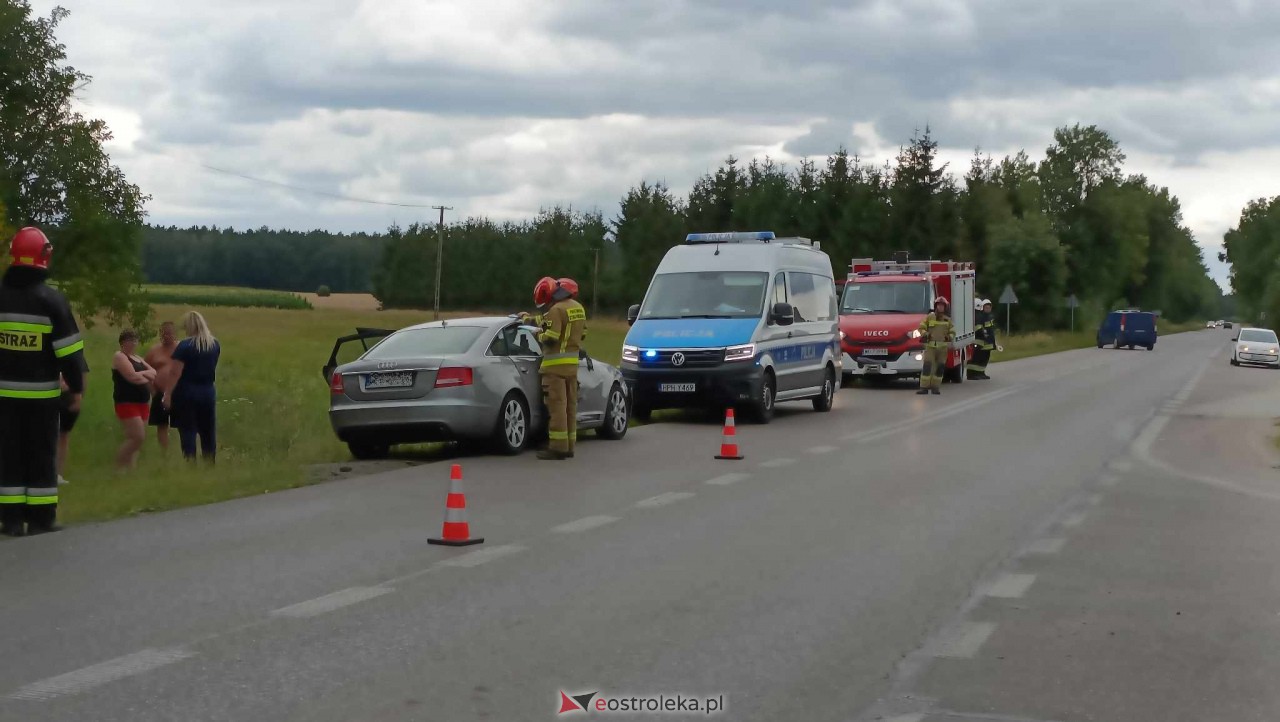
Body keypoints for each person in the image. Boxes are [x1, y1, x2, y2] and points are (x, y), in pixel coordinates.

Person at [0, 227, 86, 536]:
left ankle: (9, 520)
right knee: (40, 455)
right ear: (44, 257)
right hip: (41, 399)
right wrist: (76, 388)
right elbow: (70, 352)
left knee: (7, 456)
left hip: (3, 399)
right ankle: (40, 519)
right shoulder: (51, 300)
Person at [532, 276, 586, 460]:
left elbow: (551, 337)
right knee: (571, 407)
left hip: (554, 368)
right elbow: (583, 334)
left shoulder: (556, 309)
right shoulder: (577, 308)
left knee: (557, 408)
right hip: (572, 366)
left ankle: (557, 447)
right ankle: (570, 446)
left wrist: (538, 335)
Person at [162, 311, 220, 463]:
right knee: (208, 429)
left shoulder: (185, 346)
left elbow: (175, 372)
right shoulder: (214, 344)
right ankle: (209, 462)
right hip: (207, 391)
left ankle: (190, 462)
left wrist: (167, 394)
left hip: (187, 391)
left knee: (188, 429)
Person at [112, 329, 157, 470]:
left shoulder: (137, 358)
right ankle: (118, 468)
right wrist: (145, 375)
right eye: (130, 340)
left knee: (136, 441)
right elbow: (132, 377)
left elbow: (154, 372)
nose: (133, 343)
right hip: (126, 401)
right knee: (137, 437)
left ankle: (131, 470)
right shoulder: (120, 356)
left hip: (142, 402)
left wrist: (142, 374)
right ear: (123, 342)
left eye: (135, 340)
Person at [144, 321, 179, 450]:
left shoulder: (181, 348)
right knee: (162, 424)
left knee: (182, 423)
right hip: (159, 392)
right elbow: (144, 371)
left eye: (169, 333)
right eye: (163, 333)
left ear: (175, 334)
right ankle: (164, 453)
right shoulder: (154, 350)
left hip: (178, 392)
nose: (166, 336)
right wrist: (152, 391)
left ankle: (183, 451)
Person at [56, 358, 88, 485]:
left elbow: (82, 376)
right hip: (46, 397)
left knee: (63, 435)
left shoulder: (75, 354)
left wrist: (78, 397)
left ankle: (58, 474)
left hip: (67, 398)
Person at [916, 296, 954, 396]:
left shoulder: (948, 320)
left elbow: (953, 332)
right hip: (930, 347)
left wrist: (949, 337)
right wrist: (925, 334)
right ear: (936, 306)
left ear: (945, 307)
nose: (940, 308)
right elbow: (921, 327)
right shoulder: (930, 317)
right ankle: (924, 387)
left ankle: (935, 387)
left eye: (942, 306)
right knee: (927, 366)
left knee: (940, 368)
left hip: (942, 348)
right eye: (939, 305)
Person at [968, 298, 994, 380]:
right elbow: (978, 328)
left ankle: (980, 373)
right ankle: (972, 374)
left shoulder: (986, 316)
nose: (988, 308)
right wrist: (984, 334)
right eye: (986, 307)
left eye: (989, 307)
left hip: (984, 342)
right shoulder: (979, 316)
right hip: (978, 341)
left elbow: (989, 330)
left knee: (982, 359)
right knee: (976, 359)